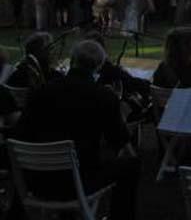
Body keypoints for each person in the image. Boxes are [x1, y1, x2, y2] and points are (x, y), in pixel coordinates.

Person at [15, 40, 140, 220]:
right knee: (130, 165)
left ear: (72, 60)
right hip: (79, 183)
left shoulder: (41, 91)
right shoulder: (104, 96)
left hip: (37, 181)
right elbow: (119, 142)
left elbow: (20, 134)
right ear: (99, 66)